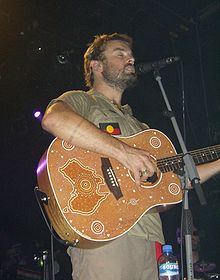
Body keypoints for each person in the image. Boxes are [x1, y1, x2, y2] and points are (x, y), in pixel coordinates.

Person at [41, 33, 220, 280]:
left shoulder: (141, 129)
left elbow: (178, 180)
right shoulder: (83, 101)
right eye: (120, 53)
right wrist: (124, 153)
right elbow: (54, 119)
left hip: (151, 241)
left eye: (131, 54)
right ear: (97, 65)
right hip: (105, 236)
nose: (131, 58)